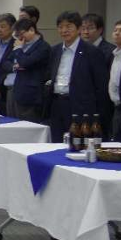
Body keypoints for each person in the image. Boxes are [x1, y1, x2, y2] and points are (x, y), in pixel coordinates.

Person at [46, 11, 108, 142]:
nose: (64, 30)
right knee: (57, 142)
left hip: (80, 107)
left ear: (79, 28)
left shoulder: (92, 52)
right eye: (61, 27)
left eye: (69, 26)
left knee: (78, 144)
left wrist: (98, 115)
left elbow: (101, 86)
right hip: (57, 104)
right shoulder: (55, 50)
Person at [9, 17, 50, 124]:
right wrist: (15, 65)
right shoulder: (22, 44)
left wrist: (18, 50)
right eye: (17, 35)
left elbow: (25, 62)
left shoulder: (43, 47)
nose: (20, 38)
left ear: (32, 30)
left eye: (21, 34)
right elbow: (7, 61)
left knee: (29, 125)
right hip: (18, 91)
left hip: (32, 94)